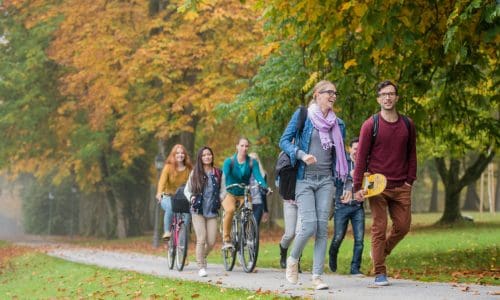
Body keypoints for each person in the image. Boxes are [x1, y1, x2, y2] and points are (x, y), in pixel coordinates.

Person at [279, 80, 349, 290]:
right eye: (329, 92)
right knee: (308, 225)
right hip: (304, 179)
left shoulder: (339, 124)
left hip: (326, 180)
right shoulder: (303, 116)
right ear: (317, 95)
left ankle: (317, 276)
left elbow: (340, 158)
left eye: (335, 93)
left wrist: (344, 185)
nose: (333, 96)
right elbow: (283, 141)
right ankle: (293, 259)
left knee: (321, 229)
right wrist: (300, 154)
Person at [353, 80, 417, 286]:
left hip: (401, 185)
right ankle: (379, 272)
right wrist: (357, 187)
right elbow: (361, 158)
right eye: (383, 94)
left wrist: (409, 181)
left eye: (391, 94)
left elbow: (412, 154)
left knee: (403, 226)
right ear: (378, 99)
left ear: (397, 97)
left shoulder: (408, 124)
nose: (387, 97)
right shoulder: (370, 125)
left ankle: (380, 252)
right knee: (379, 227)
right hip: (376, 184)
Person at [221, 137, 268, 250]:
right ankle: (227, 239)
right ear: (237, 146)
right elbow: (224, 176)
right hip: (230, 192)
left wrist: (265, 186)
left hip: (245, 193)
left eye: (246, 146)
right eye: (242, 145)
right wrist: (222, 190)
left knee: (248, 213)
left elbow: (258, 176)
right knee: (230, 210)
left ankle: (246, 237)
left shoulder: (252, 162)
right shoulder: (229, 161)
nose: (244, 148)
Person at [329, 137, 365, 276]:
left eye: (360, 149)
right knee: (338, 237)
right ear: (350, 149)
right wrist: (348, 176)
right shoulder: (342, 163)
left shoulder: (364, 164)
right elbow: (335, 181)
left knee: (360, 240)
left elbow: (369, 184)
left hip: (357, 207)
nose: (357, 151)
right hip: (341, 206)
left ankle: (355, 268)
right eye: (355, 148)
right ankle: (333, 253)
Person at [184, 146, 222, 277]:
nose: (207, 157)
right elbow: (186, 190)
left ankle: (201, 256)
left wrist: (220, 199)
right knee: (201, 239)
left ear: (212, 156)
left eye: (209, 154)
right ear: (200, 158)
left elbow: (223, 190)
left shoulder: (218, 173)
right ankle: (200, 266)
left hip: (211, 210)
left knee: (211, 241)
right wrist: (191, 197)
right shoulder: (195, 172)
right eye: (204, 155)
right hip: (197, 210)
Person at [156, 144, 193, 240]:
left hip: (182, 197)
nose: (180, 155)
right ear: (173, 155)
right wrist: (159, 193)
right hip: (167, 196)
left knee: (187, 214)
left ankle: (182, 240)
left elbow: (193, 183)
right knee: (171, 207)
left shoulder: (188, 169)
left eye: (182, 153)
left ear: (185, 155)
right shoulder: (168, 167)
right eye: (177, 153)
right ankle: (167, 231)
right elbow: (162, 182)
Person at [248, 152, 269, 227]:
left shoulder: (263, 174)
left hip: (258, 202)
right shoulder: (245, 173)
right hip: (247, 202)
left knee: (255, 226)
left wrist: (265, 210)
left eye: (255, 159)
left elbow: (264, 193)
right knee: (246, 226)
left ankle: (254, 239)